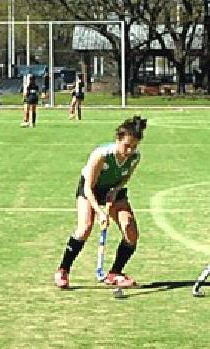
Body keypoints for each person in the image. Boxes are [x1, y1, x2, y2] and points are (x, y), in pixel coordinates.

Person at [54, 116, 148, 289]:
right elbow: (88, 187)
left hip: (112, 190)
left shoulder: (135, 157)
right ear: (118, 140)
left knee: (131, 231)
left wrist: (115, 191)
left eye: (134, 146)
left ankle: (115, 273)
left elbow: (125, 177)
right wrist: (100, 211)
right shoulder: (102, 155)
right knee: (85, 228)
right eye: (126, 145)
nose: (129, 150)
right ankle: (63, 270)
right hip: (91, 189)